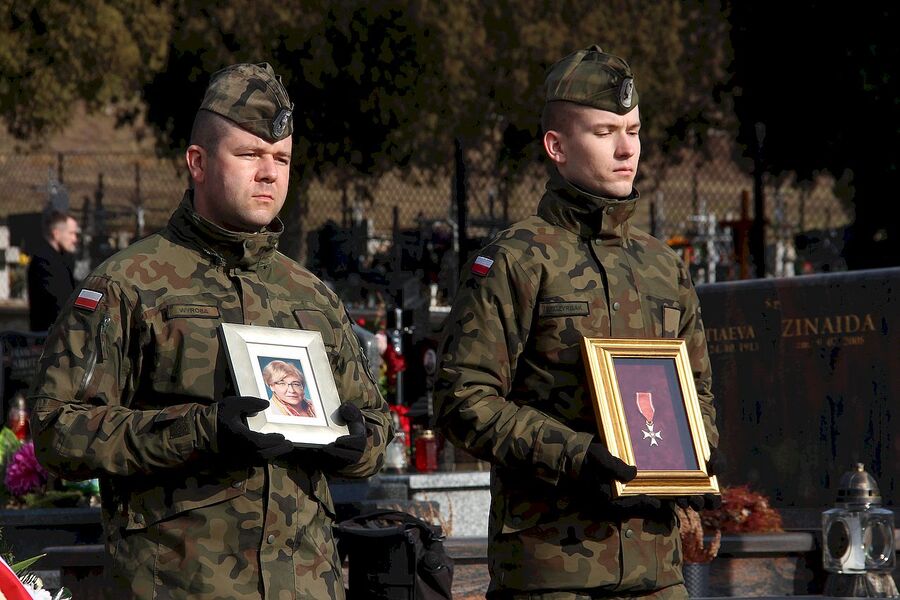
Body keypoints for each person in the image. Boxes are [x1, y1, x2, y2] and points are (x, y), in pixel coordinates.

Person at [29, 62, 392, 599]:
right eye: (249, 155)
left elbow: (377, 425)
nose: (269, 173)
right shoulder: (129, 286)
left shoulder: (310, 295)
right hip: (182, 584)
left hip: (305, 585)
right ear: (197, 163)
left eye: (282, 159)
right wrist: (202, 430)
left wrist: (356, 443)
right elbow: (58, 430)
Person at [433, 46, 721, 599]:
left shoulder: (664, 267)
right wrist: (574, 454)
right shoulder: (515, 259)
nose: (626, 148)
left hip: (656, 568)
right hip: (551, 569)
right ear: (557, 146)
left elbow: (698, 389)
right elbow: (462, 400)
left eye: (634, 130)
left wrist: (695, 453)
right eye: (605, 131)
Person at [26, 210, 79, 332]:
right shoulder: (44, 261)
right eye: (71, 233)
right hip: (49, 335)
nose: (75, 239)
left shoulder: (60, 258)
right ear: (56, 233)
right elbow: (59, 299)